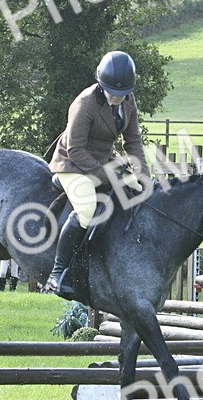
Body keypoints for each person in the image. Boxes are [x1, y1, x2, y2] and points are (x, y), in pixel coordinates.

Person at [46, 50, 150, 297]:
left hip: (104, 159)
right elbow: (76, 149)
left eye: (122, 94)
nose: (117, 98)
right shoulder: (85, 103)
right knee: (87, 210)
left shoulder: (128, 100)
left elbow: (133, 141)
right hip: (72, 163)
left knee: (139, 193)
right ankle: (57, 274)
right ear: (101, 84)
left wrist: (143, 174)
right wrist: (108, 176)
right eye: (112, 92)